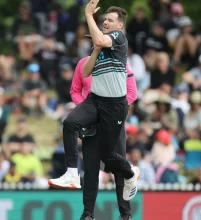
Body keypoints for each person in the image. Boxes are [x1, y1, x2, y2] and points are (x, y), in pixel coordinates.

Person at [50, 2, 139, 219]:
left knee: (111, 160)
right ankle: (75, 181)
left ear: (120, 24)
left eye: (109, 20)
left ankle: (127, 198)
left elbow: (132, 92)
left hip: (114, 108)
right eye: (104, 20)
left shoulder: (119, 38)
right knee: (70, 124)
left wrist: (88, 14)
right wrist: (96, 49)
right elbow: (86, 71)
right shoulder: (98, 49)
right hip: (94, 104)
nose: (105, 22)